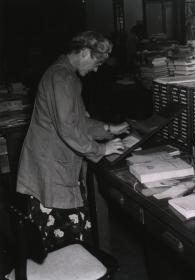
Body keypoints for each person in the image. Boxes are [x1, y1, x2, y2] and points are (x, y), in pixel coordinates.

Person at [16, 30, 129, 250]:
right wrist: (101, 149)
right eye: (97, 62)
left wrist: (107, 128)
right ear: (85, 52)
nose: (96, 69)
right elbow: (68, 128)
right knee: (65, 243)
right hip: (50, 168)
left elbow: (77, 121)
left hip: (51, 164)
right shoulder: (61, 77)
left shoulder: (65, 75)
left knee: (64, 239)